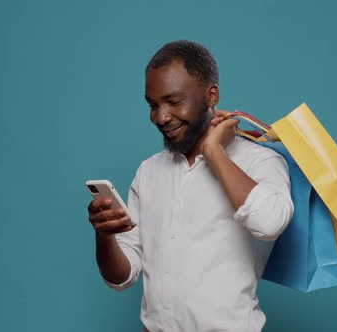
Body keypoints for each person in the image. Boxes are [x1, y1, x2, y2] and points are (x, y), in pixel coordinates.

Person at [87, 40, 294, 332]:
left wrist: (213, 152)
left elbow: (270, 222)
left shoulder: (260, 161)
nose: (161, 117)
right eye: (153, 105)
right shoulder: (149, 171)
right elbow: (121, 278)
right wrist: (104, 235)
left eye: (173, 102)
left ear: (211, 96)